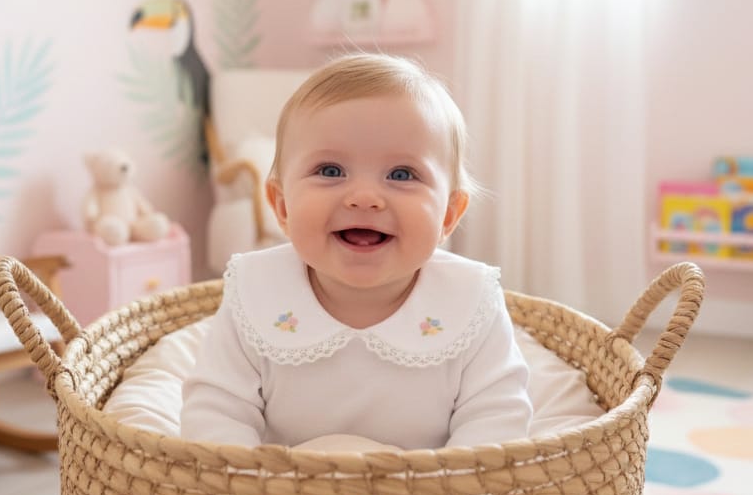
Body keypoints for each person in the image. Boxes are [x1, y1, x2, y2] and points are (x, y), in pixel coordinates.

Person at [176, 52, 533, 450]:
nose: (365, 198)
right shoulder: (256, 290)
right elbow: (215, 410)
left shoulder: (470, 300)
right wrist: (249, 489)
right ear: (281, 206)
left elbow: (497, 417)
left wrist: (450, 493)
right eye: (330, 171)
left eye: (402, 174)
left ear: (449, 214)